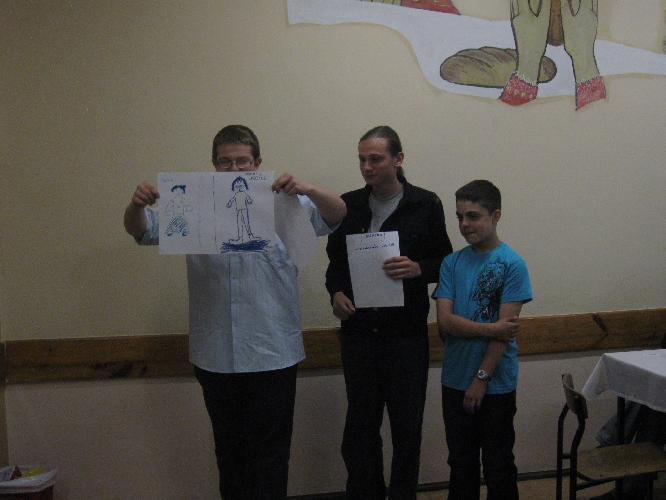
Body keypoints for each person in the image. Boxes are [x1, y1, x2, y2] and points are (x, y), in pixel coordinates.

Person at [123, 124, 347, 500]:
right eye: (225, 162)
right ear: (214, 166)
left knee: (270, 456)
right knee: (229, 455)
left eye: (242, 161)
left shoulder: (282, 203)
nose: (234, 169)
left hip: (273, 353)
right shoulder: (194, 206)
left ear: (257, 163)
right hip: (216, 356)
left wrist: (307, 188)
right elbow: (142, 231)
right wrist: (137, 205)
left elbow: (337, 213)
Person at [325, 126, 453, 500]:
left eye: (376, 159)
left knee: (406, 430)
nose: (367, 167)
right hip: (359, 335)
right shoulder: (348, 205)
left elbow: (446, 262)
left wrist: (418, 269)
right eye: (362, 159)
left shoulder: (425, 204)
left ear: (398, 159)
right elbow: (335, 266)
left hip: (405, 336)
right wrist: (335, 293)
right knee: (360, 430)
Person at [432, 180, 532, 500]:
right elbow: (446, 322)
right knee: (460, 464)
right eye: (459, 217)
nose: (464, 224)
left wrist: (481, 378)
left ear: (495, 215)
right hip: (454, 379)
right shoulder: (451, 263)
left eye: (473, 216)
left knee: (498, 464)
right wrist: (490, 329)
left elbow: (507, 333)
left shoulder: (512, 264)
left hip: (495, 383)